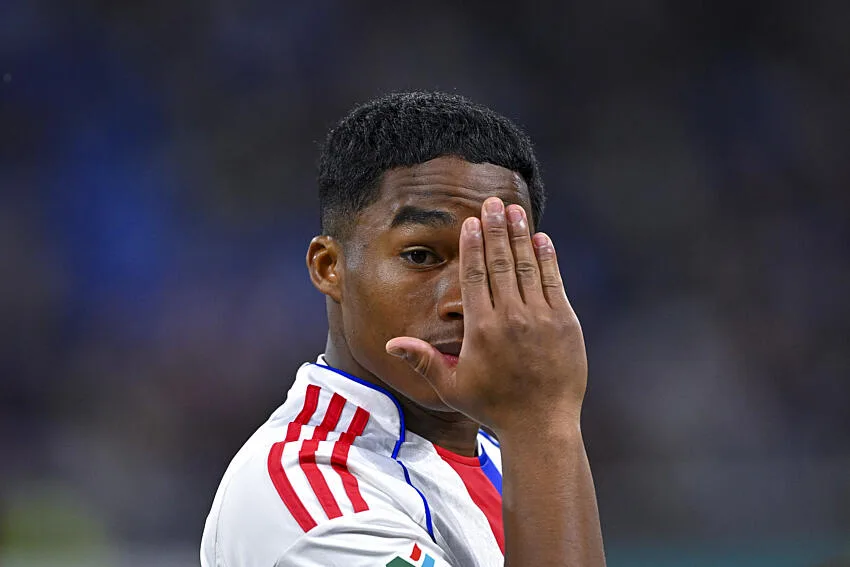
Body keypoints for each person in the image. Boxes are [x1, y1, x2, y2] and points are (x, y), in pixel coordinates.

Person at [200, 91, 605, 566]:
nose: (463, 302)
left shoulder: (506, 456)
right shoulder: (309, 500)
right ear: (329, 267)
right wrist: (544, 418)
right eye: (421, 256)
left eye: (495, 263)